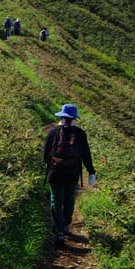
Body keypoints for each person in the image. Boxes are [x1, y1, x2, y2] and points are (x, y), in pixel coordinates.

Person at [43, 104, 96, 245]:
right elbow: (86, 154)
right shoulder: (80, 134)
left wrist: (48, 165)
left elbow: (45, 153)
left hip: (55, 173)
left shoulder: (53, 132)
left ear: (61, 116)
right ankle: (65, 224)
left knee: (56, 201)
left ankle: (59, 231)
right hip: (72, 173)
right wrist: (91, 171)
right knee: (69, 199)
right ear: (74, 118)